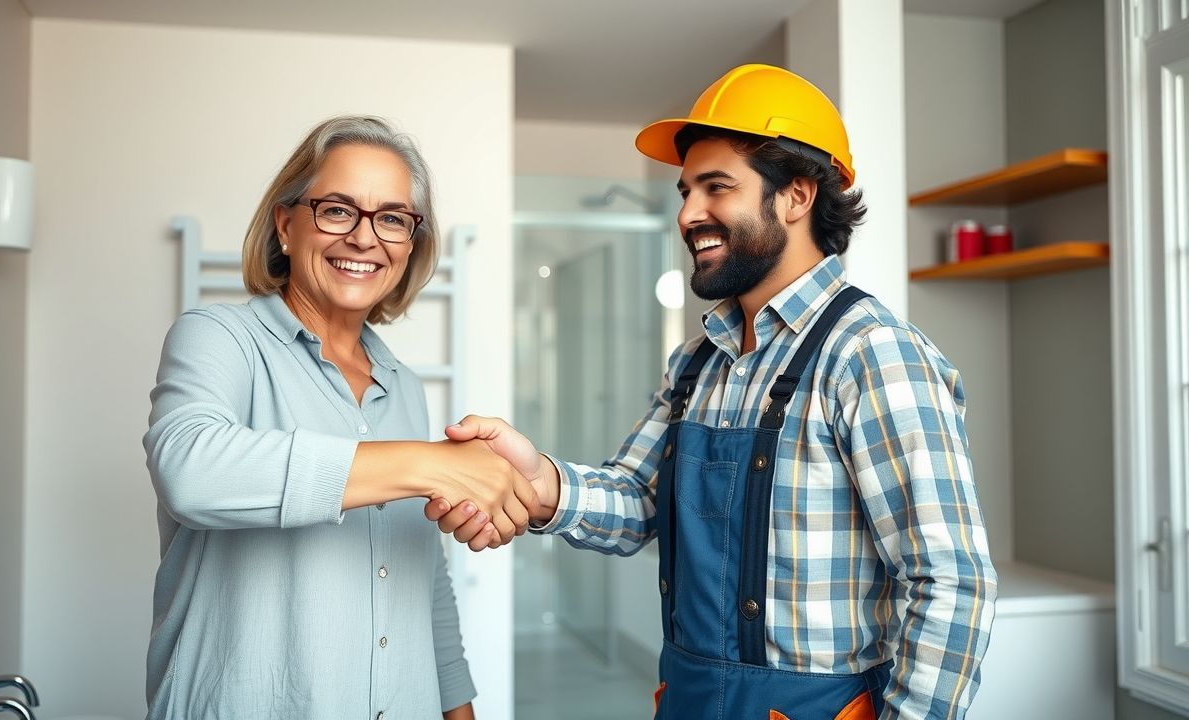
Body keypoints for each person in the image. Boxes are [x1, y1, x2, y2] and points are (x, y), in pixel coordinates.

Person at [429, 65, 998, 720]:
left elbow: (951, 583)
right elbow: (640, 502)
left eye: (715, 187)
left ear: (797, 196)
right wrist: (539, 480)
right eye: (685, 190)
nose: (688, 213)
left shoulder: (872, 355)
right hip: (689, 700)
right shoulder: (697, 362)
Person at [142, 115, 536, 720]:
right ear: (286, 223)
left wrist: (458, 710)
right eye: (337, 210)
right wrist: (430, 463)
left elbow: (421, 575)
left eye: (392, 219)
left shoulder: (404, 386)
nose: (364, 238)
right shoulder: (217, 339)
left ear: (410, 242)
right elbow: (189, 474)